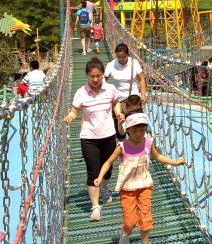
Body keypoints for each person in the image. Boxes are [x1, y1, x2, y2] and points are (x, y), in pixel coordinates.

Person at [94, 113, 185, 244]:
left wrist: (175, 162)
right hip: (127, 188)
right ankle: (126, 232)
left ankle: (145, 242)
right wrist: (99, 177)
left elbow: (158, 157)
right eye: (135, 131)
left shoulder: (148, 143)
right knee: (130, 221)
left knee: (145, 216)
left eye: (142, 130)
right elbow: (108, 162)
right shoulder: (122, 147)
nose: (138, 134)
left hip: (144, 185)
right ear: (128, 130)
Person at [62, 57, 123, 222]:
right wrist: (70, 116)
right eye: (92, 76)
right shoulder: (81, 92)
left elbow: (116, 102)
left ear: (103, 75)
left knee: (108, 170)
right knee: (93, 171)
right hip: (89, 137)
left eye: (98, 76)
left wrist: (118, 113)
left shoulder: (110, 89)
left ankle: (104, 186)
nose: (95, 80)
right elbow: (75, 111)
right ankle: (95, 207)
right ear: (87, 76)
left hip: (108, 135)